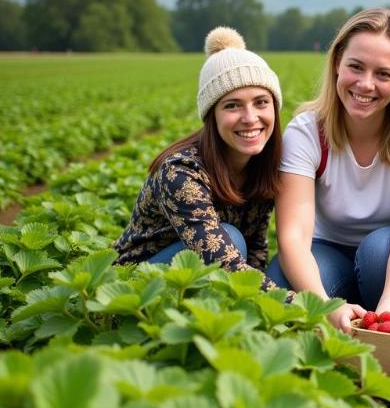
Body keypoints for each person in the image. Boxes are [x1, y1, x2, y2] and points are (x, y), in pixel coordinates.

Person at [267, 8, 390, 335]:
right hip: (330, 249)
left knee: (377, 253)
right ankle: (344, 312)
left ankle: (380, 327)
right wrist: (322, 303)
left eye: (383, 74)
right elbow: (293, 236)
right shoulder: (307, 133)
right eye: (356, 67)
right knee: (281, 284)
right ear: (337, 63)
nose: (366, 84)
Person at [114, 26, 282, 287]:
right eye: (232, 105)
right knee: (230, 239)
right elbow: (224, 262)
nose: (250, 118)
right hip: (136, 283)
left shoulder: (263, 165)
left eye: (261, 102)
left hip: (203, 274)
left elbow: (257, 247)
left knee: (243, 247)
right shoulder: (180, 172)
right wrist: (303, 312)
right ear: (211, 115)